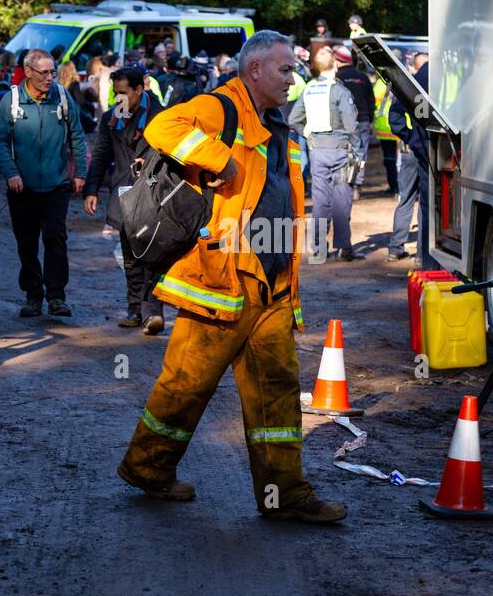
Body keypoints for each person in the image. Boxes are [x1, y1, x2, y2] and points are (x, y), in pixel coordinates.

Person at [116, 30, 346, 523]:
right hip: (223, 280)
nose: (292, 79)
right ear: (255, 70)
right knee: (186, 384)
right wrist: (218, 158)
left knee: (277, 392)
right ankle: (147, 468)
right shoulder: (222, 108)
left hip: (272, 282)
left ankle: (285, 495)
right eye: (285, 70)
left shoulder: (278, 126)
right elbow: (162, 127)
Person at [0, 48, 87, 318]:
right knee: (27, 242)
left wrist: (80, 173)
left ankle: (56, 296)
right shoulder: (11, 101)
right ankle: (33, 295)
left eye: (52, 72)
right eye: (44, 73)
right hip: (22, 187)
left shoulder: (62, 97)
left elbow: (77, 136)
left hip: (57, 185)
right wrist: (11, 173)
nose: (49, 78)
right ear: (28, 72)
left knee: (56, 239)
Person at [82, 66, 166, 335]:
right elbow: (101, 156)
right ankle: (134, 309)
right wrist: (91, 190)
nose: (118, 98)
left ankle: (153, 312)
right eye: (115, 93)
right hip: (123, 194)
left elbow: (174, 155)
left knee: (152, 255)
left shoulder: (162, 116)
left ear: (139, 89)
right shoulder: (111, 119)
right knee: (130, 257)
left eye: (123, 93)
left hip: (154, 195)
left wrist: (150, 161)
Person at [288, 45, 361, 261]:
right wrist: (358, 153)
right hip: (339, 150)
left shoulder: (309, 88)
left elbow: (293, 119)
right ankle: (344, 247)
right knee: (342, 198)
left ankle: (319, 248)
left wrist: (307, 134)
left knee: (320, 200)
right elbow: (351, 125)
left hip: (317, 151)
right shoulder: (340, 91)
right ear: (336, 65)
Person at [387, 54, 436, 269]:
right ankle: (422, 255)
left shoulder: (409, 87)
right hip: (428, 152)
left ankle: (395, 247)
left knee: (406, 199)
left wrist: (413, 139)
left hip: (410, 151)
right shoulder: (436, 82)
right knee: (426, 204)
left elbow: (395, 119)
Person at [332, 44, 375, 200]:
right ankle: (357, 184)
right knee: (360, 152)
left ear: (337, 60)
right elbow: (371, 100)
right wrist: (370, 120)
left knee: (343, 152)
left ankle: (344, 183)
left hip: (342, 122)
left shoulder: (336, 78)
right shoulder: (363, 77)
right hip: (363, 120)